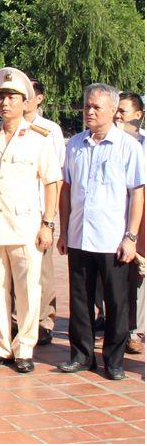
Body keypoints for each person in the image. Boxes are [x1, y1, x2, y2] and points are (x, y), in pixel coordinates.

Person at [0, 67, 62, 374]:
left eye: (12, 97)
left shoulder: (39, 138)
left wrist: (48, 223)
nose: (5, 103)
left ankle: (24, 348)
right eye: (1, 97)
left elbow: (51, 183)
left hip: (25, 227)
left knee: (27, 290)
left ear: (26, 101)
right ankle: (1, 345)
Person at [57, 83, 145, 380]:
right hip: (81, 235)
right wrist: (64, 229)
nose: (90, 112)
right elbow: (66, 190)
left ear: (112, 109)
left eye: (96, 107)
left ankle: (114, 359)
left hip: (113, 239)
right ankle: (81, 355)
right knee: (80, 299)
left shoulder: (128, 147)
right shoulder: (75, 145)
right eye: (87, 107)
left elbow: (137, 194)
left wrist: (131, 236)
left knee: (117, 301)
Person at [23, 78, 66, 346]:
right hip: (14, 211)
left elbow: (56, 176)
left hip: (40, 209)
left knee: (43, 270)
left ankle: (44, 321)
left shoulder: (50, 130)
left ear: (39, 98)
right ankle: (19, 320)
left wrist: (49, 219)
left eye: (28, 94)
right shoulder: (6, 128)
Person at [115, 91, 146, 353]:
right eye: (116, 110)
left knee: (139, 277)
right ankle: (115, 323)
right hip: (114, 221)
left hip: (140, 223)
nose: (117, 116)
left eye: (123, 112)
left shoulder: (143, 144)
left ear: (138, 115)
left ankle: (136, 331)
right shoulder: (110, 143)